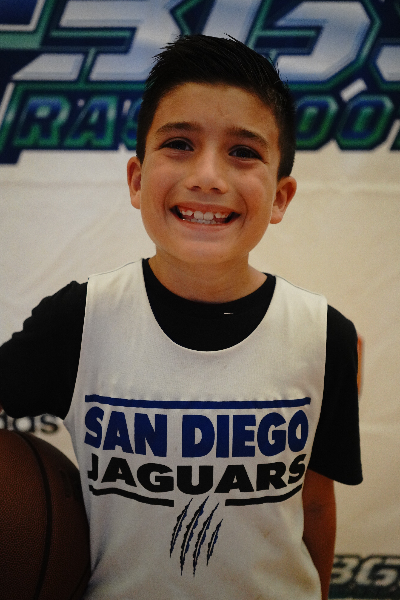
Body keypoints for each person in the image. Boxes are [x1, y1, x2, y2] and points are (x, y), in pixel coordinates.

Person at [0, 35, 362, 600]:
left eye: (243, 152)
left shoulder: (324, 335)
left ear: (280, 197)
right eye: (179, 144)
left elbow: (315, 501)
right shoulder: (81, 318)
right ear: (137, 180)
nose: (208, 176)